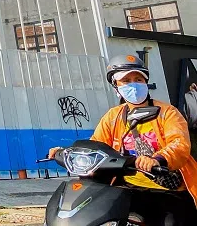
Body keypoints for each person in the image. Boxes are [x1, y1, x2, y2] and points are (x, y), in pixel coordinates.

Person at [49, 55, 197, 224]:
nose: (133, 84)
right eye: (126, 80)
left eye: (138, 79)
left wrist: (157, 160)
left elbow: (179, 144)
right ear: (116, 87)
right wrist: (67, 152)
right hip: (127, 188)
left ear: (146, 82)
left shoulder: (167, 112)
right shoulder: (113, 117)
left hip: (167, 189)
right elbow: (96, 145)